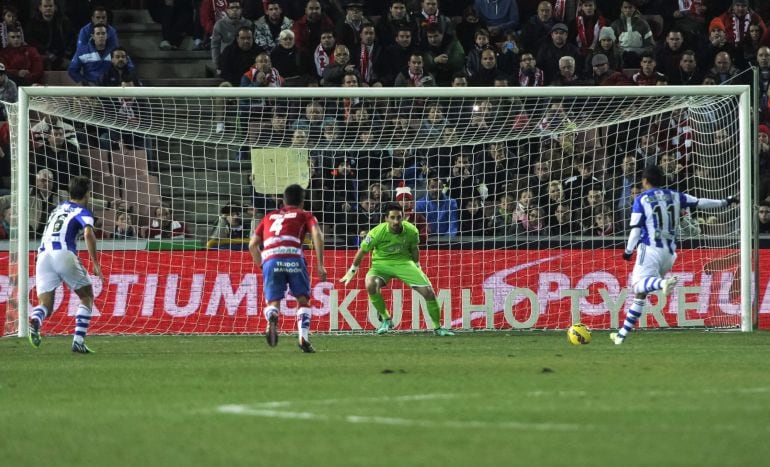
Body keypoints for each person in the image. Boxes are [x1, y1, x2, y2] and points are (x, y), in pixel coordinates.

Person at [611, 165, 738, 345]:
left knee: (639, 285)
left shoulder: (642, 199)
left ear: (645, 181)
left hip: (650, 249)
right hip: (669, 253)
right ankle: (621, 335)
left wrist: (628, 251)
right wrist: (725, 201)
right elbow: (701, 202)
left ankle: (663, 283)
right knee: (641, 294)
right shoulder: (675, 196)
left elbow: (635, 231)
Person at [339, 201, 454, 336]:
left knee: (429, 292)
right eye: (392, 218)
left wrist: (417, 267)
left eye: (398, 217)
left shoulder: (412, 231)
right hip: (381, 264)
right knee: (370, 284)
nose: (396, 221)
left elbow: (414, 249)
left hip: (404, 262)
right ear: (386, 219)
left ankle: (437, 328)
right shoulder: (376, 233)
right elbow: (362, 251)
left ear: (402, 217)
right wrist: (352, 270)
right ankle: (386, 319)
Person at [27, 176, 104, 353]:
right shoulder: (83, 212)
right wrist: (95, 263)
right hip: (64, 253)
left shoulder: (58, 208)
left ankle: (36, 319)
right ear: (87, 194)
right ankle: (78, 341)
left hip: (43, 256)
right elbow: (88, 234)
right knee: (87, 297)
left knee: (46, 305)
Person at [249, 184, 327, 353]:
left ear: (283, 201)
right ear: (302, 201)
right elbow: (317, 235)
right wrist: (320, 264)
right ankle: (303, 337)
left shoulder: (268, 217)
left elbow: (252, 245)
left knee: (273, 301)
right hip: (293, 257)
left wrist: (263, 265)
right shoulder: (305, 214)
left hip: (270, 259)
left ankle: (272, 315)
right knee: (302, 300)